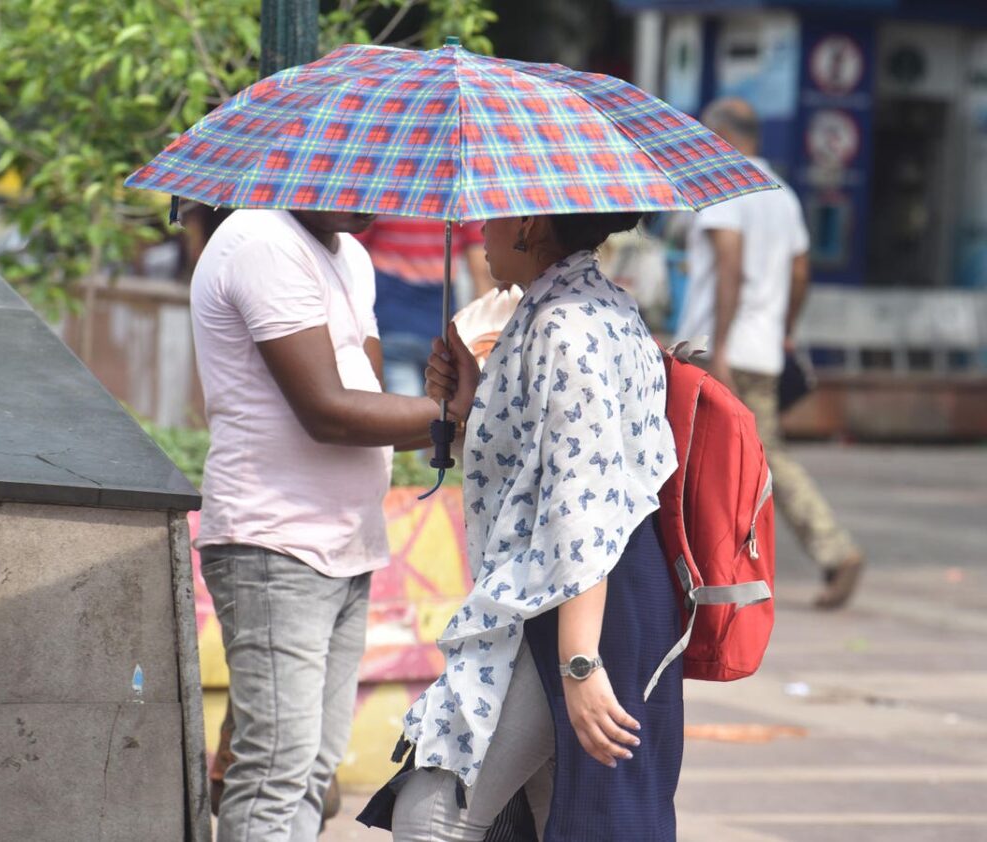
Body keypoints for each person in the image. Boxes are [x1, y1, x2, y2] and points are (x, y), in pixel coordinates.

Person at [386, 211, 682, 841]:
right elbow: (543, 465)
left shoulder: (561, 324)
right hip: (595, 587)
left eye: (489, 216)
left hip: (576, 594)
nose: (477, 230)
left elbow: (583, 499)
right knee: (561, 817)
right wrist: (469, 401)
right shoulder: (601, 305)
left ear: (529, 224)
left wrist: (579, 664)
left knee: (433, 816)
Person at [190, 207, 442, 841]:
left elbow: (372, 396)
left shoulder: (350, 256)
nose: (376, 191)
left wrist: (452, 392)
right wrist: (457, 412)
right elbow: (329, 412)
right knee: (277, 772)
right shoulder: (261, 241)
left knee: (312, 774)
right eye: (359, 164)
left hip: (345, 544)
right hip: (276, 546)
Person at [676, 96, 865, 610]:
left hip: (720, 352)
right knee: (737, 461)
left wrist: (720, 351)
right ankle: (707, 572)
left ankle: (829, 549)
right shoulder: (781, 193)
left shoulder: (722, 183)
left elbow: (730, 264)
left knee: (728, 461)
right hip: (761, 352)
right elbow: (801, 271)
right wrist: (784, 329)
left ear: (720, 135)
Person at [356, 216, 494, 396]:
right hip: (440, 324)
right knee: (438, 403)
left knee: (403, 404)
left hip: (392, 321)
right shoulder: (460, 203)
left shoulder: (385, 197)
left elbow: (355, 252)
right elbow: (481, 272)